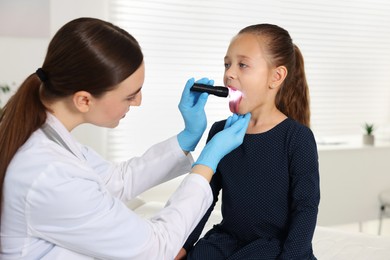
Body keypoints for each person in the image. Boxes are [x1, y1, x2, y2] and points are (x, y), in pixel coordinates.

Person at [0, 17, 251, 259]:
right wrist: (207, 163)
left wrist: (189, 136)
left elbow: (117, 180)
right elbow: (155, 249)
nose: (138, 102)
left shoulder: (50, 139)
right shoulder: (48, 174)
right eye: (130, 96)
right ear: (84, 100)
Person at [177, 23, 320, 260]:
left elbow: (306, 208)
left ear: (276, 77)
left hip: (274, 246)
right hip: (227, 239)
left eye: (243, 65)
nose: (229, 73)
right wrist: (183, 245)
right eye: (227, 64)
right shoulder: (220, 131)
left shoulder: (297, 138)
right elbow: (205, 197)